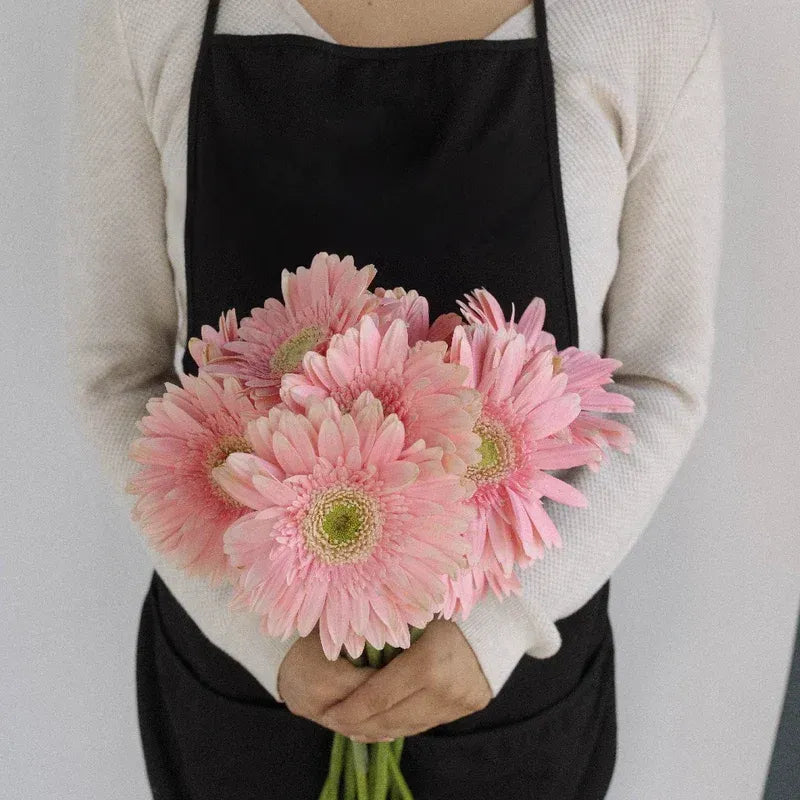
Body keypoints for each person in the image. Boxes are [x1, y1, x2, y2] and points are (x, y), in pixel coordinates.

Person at [60, 0, 724, 797]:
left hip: (509, 695)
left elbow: (660, 376)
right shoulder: (149, 18)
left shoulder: (644, 23)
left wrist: (503, 626)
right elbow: (116, 371)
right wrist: (259, 641)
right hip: (244, 689)